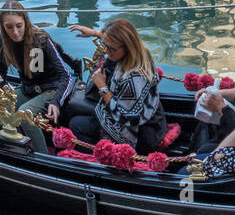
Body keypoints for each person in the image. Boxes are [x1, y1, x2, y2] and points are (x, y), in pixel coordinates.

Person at [67, 18, 166, 150]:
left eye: (111, 48)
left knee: (76, 124)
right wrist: (95, 33)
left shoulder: (134, 77)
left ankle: (99, 157)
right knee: (72, 107)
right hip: (148, 116)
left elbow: (126, 118)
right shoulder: (140, 52)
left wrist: (102, 87)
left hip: (140, 132)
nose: (106, 51)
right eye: (104, 44)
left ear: (127, 47)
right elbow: (117, 42)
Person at [0, 4, 77, 153]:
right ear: (3, 26)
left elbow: (66, 76)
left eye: (19, 26)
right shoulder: (3, 40)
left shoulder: (41, 40)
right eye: (9, 27)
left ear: (25, 21)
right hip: (28, 89)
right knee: (3, 109)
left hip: (50, 89)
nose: (15, 32)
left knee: (25, 115)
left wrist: (56, 101)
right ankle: (15, 147)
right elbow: (0, 72)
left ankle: (43, 156)